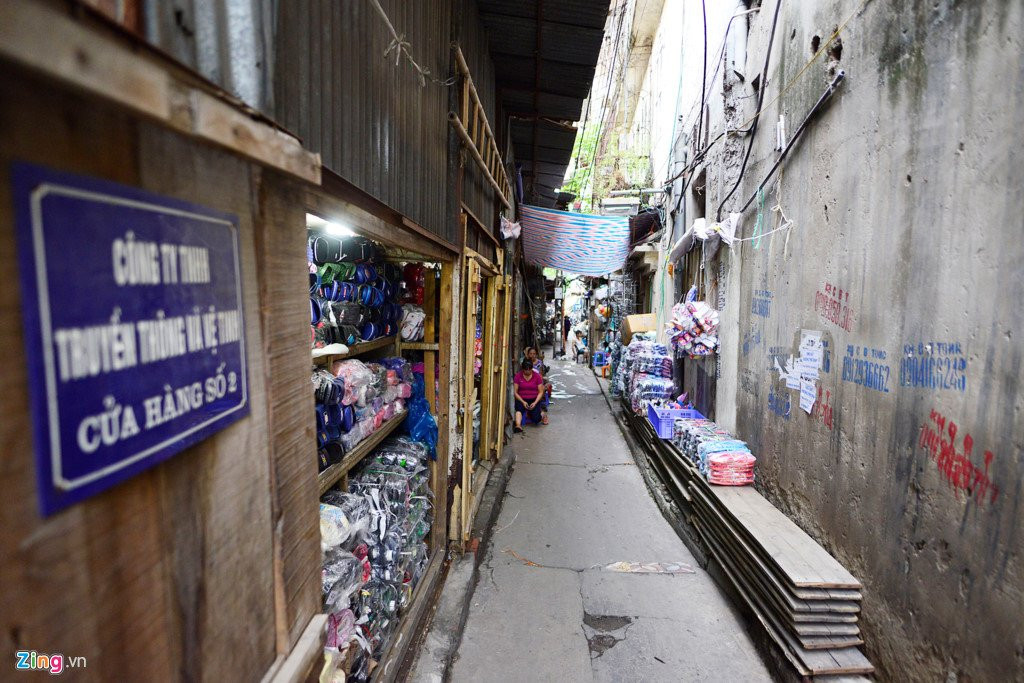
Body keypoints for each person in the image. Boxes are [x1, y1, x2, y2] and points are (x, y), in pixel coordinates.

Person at [513, 359, 548, 431]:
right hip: (521, 398)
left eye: (529, 370)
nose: (528, 372)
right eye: (526, 370)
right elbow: (515, 392)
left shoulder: (537, 376)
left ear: (532, 368)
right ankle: (518, 426)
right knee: (519, 409)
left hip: (534, 399)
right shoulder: (518, 376)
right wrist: (523, 402)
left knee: (536, 420)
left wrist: (535, 403)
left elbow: (541, 392)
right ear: (523, 369)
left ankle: (543, 414)